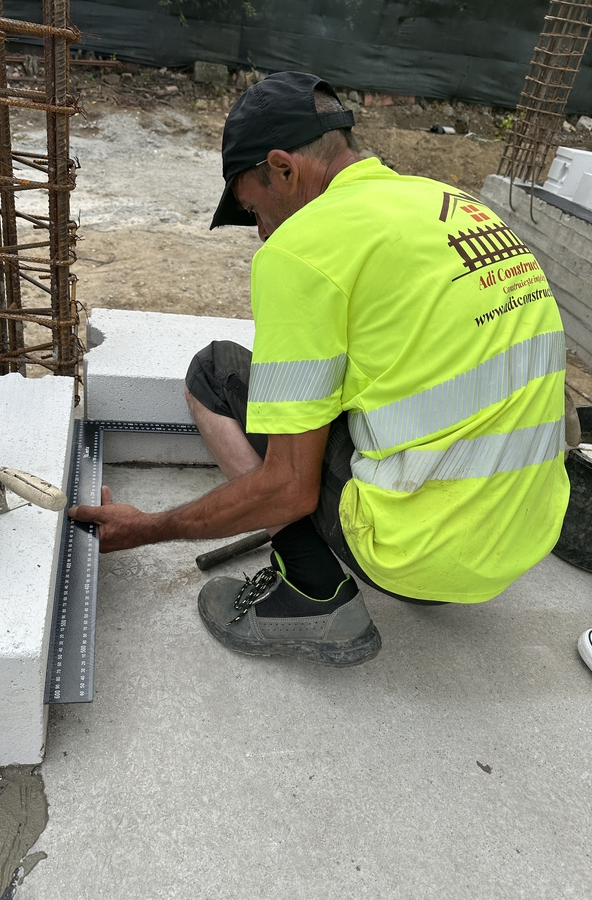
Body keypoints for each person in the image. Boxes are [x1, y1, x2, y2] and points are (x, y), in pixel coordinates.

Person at [70, 71, 570, 668]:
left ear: (282, 168)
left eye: (254, 209)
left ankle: (312, 591)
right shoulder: (456, 206)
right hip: (523, 542)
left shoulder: (303, 248)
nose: (262, 231)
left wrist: (148, 527)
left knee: (214, 373)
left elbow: (288, 488)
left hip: (417, 556)